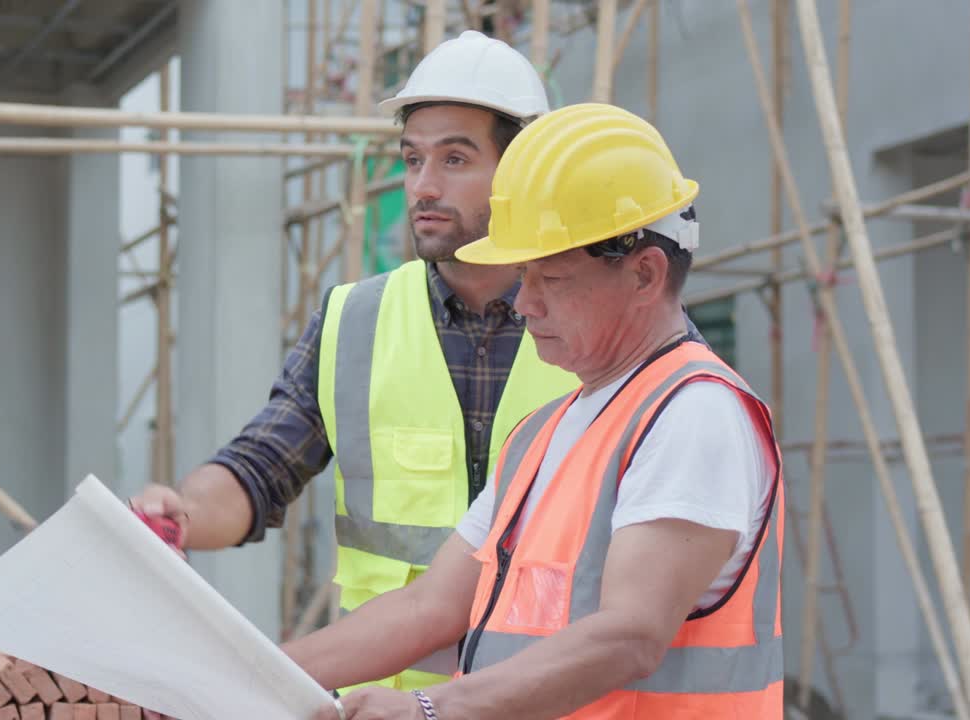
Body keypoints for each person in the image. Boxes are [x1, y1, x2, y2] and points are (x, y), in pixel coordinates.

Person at [286, 103, 785, 719]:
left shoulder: (693, 414)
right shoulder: (544, 432)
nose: (524, 303)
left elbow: (629, 636)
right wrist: (244, 675)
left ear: (645, 274)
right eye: (522, 275)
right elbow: (430, 609)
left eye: (550, 277)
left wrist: (428, 710)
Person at [128, 30, 579, 692]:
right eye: (412, 158)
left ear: (525, 171)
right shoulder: (356, 323)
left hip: (549, 704)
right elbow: (260, 469)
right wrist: (184, 513)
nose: (421, 186)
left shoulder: (592, 325)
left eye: (454, 160)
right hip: (382, 706)